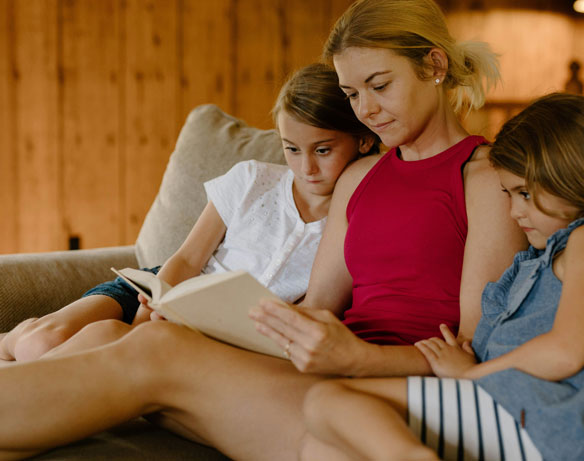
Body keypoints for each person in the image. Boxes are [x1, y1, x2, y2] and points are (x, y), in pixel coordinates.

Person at [0, 1, 526, 459]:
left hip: (386, 393)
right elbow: (319, 307)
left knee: (154, 351)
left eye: (379, 86)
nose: (366, 109)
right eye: (352, 93)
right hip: (318, 372)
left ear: (433, 65)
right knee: (133, 337)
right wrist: (222, 323)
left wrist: (357, 357)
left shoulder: (485, 179)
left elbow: (476, 346)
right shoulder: (361, 176)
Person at [301, 93, 584, 461]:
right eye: (509, 195)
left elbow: (565, 352)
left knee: (326, 401)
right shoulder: (537, 262)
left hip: (542, 425)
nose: (514, 212)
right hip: (506, 412)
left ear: (576, 178)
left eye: (525, 193)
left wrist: (472, 374)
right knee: (322, 441)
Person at [0, 62, 377, 363]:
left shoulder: (358, 219)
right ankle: (14, 338)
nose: (305, 167)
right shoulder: (252, 178)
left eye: (322, 150)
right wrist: (145, 319)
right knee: (39, 343)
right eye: (292, 149)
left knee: (48, 353)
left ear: (362, 140)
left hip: (212, 331)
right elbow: (187, 258)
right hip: (163, 290)